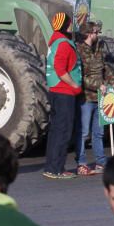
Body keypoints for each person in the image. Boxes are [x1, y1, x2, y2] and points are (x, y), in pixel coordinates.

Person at [76, 21, 114, 176]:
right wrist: (97, 85)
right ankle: (81, 162)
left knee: (99, 132)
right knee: (83, 132)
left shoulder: (99, 48)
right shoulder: (79, 50)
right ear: (89, 33)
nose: (97, 34)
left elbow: (105, 68)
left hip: (101, 97)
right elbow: (80, 76)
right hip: (86, 97)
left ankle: (101, 161)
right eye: (95, 32)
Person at [44, 12, 82, 180]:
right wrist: (74, 84)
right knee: (63, 132)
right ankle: (56, 169)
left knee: (56, 131)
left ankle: (52, 167)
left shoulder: (55, 40)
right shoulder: (64, 44)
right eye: (70, 23)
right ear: (66, 25)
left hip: (56, 91)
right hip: (64, 92)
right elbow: (60, 70)